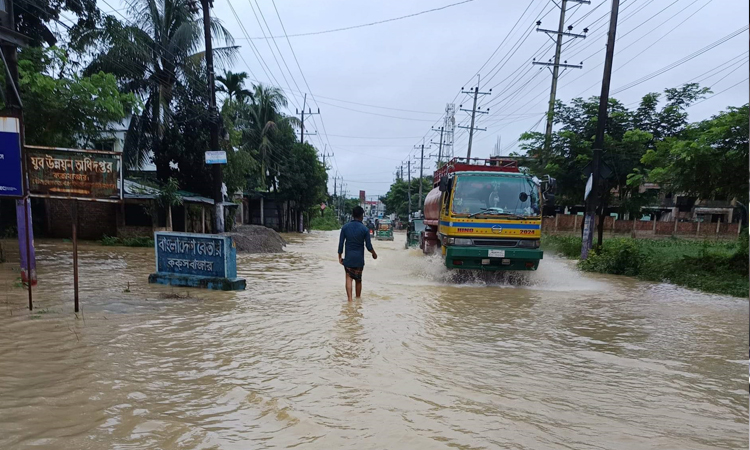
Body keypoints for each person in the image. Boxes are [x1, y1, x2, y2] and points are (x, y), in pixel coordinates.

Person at [338, 206, 377, 301]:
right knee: (358, 280)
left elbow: (340, 244)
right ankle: (358, 299)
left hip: (348, 258)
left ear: (352, 215)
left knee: (348, 277)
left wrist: (340, 256)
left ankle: (350, 300)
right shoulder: (364, 229)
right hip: (359, 259)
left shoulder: (345, 227)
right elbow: (368, 246)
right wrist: (374, 254)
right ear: (361, 216)